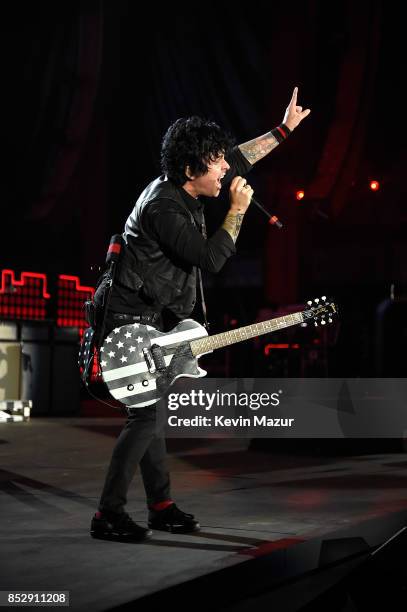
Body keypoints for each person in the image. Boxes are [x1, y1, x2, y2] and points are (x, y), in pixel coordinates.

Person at [90, 87, 310, 541]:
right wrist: (238, 211)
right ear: (192, 169)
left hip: (149, 315)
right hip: (125, 319)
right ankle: (108, 514)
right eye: (216, 161)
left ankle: (161, 505)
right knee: (144, 416)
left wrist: (284, 129)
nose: (226, 166)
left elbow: (241, 157)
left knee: (149, 413)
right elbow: (211, 259)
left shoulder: (187, 181)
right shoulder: (163, 208)